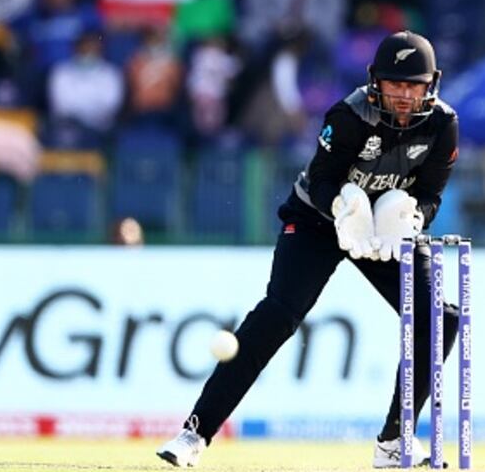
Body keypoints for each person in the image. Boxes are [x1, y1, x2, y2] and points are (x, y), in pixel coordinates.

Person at [156, 31, 460, 468]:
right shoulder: (350, 115)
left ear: (431, 84)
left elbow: (430, 194)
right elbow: (321, 180)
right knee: (278, 314)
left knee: (438, 319)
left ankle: (394, 442)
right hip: (321, 219)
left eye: (414, 86)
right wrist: (342, 209)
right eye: (395, 84)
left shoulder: (442, 125)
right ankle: (194, 433)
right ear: (375, 80)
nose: (404, 95)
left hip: (387, 228)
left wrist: (413, 219)